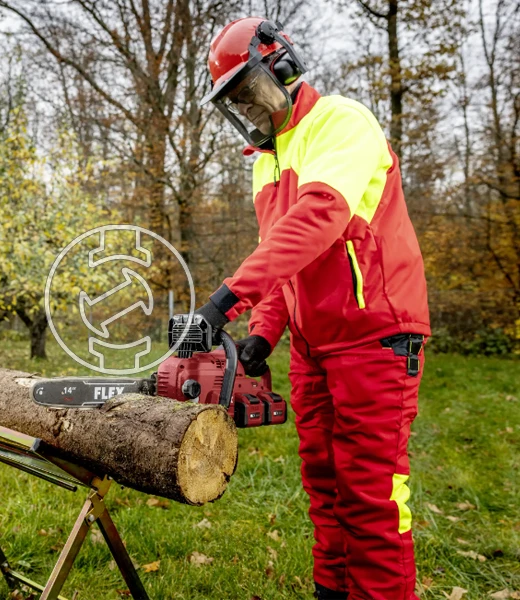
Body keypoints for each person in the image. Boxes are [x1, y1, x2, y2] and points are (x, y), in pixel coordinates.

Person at [194, 16, 431, 600]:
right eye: (237, 102)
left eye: (251, 92)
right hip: (313, 345)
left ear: (282, 69)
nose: (249, 110)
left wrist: (227, 299)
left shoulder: (341, 124)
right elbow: (283, 256)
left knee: (371, 494)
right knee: (324, 488)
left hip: (375, 336)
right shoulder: (264, 162)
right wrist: (262, 332)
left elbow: (319, 218)